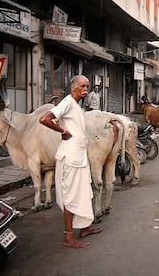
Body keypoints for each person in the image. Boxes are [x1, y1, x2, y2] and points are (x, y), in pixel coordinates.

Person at [39, 75, 102, 248]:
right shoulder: (67, 102)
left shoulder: (75, 105)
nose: (86, 89)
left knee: (83, 193)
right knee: (71, 196)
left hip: (79, 157)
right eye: (82, 86)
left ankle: (84, 228)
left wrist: (63, 127)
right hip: (70, 157)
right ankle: (68, 237)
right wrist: (62, 131)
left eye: (87, 86)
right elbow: (44, 119)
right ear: (73, 87)